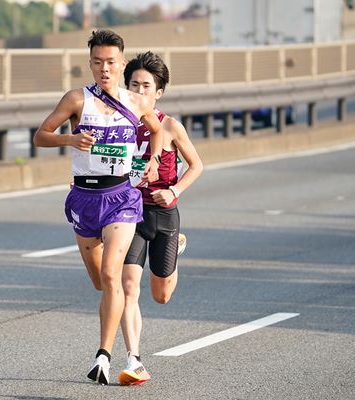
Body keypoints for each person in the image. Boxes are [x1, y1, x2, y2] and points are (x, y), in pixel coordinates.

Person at [33, 30, 164, 386]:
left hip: (121, 197)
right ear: (90, 64)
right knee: (100, 282)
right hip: (84, 198)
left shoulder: (136, 101)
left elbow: (157, 130)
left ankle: (104, 356)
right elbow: (40, 136)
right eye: (97, 62)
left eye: (110, 62)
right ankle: (112, 342)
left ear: (122, 64)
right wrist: (70, 139)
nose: (104, 69)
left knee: (111, 275)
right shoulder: (77, 99)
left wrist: (152, 160)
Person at [118, 51, 203, 386]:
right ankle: (134, 360)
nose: (139, 91)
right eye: (134, 85)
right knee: (127, 287)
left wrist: (174, 190)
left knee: (161, 295)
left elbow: (196, 165)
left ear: (159, 92)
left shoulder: (169, 126)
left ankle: (175, 249)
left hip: (163, 214)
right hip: (128, 214)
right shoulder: (118, 123)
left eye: (146, 86)